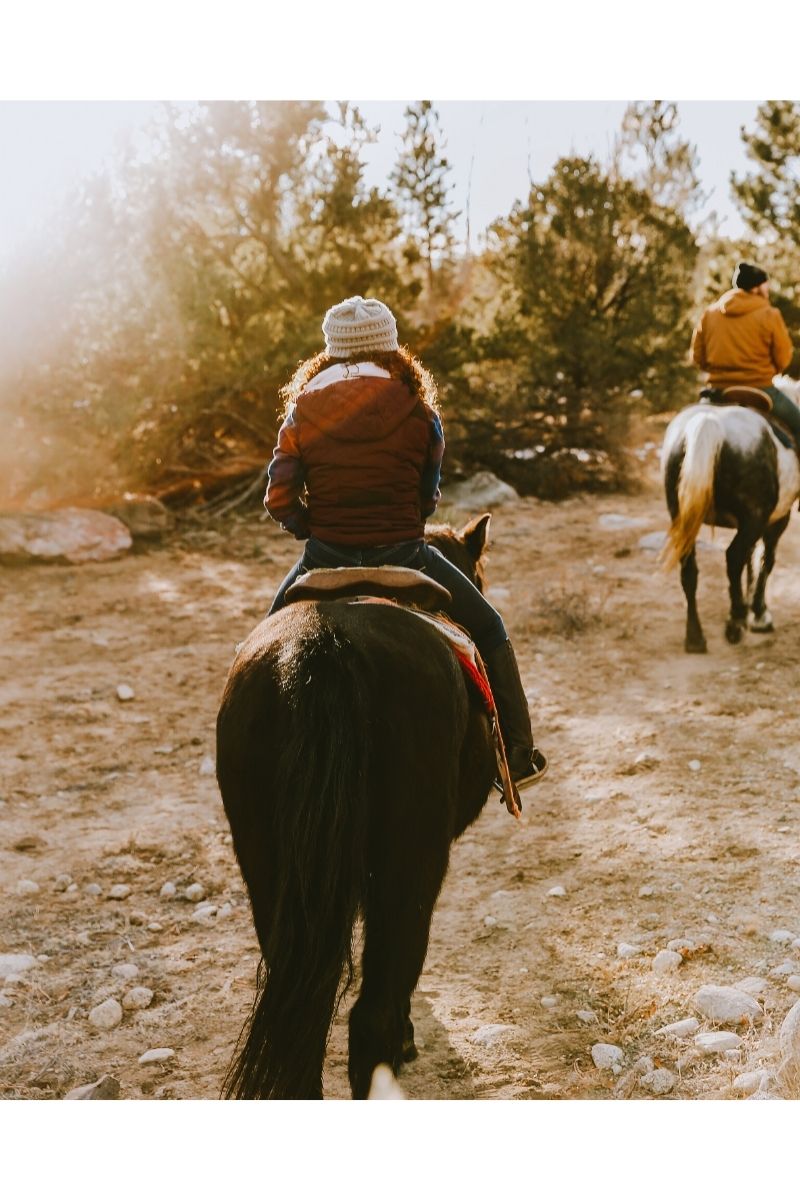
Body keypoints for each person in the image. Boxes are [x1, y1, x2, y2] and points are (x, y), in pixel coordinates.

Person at [264, 295, 547, 792]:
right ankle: (519, 756)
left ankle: (260, 764)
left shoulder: (303, 410)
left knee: (264, 644)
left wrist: (313, 527)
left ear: (331, 351)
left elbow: (278, 497)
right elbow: (427, 499)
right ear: (390, 346)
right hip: (404, 554)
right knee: (489, 627)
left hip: (324, 556)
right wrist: (398, 520)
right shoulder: (420, 410)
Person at [691, 262, 799, 441]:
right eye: (765, 284)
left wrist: (719, 373)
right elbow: (783, 357)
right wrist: (767, 371)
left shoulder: (709, 314)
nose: (768, 288)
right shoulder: (770, 314)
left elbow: (697, 357)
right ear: (756, 287)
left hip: (718, 390)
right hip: (761, 388)